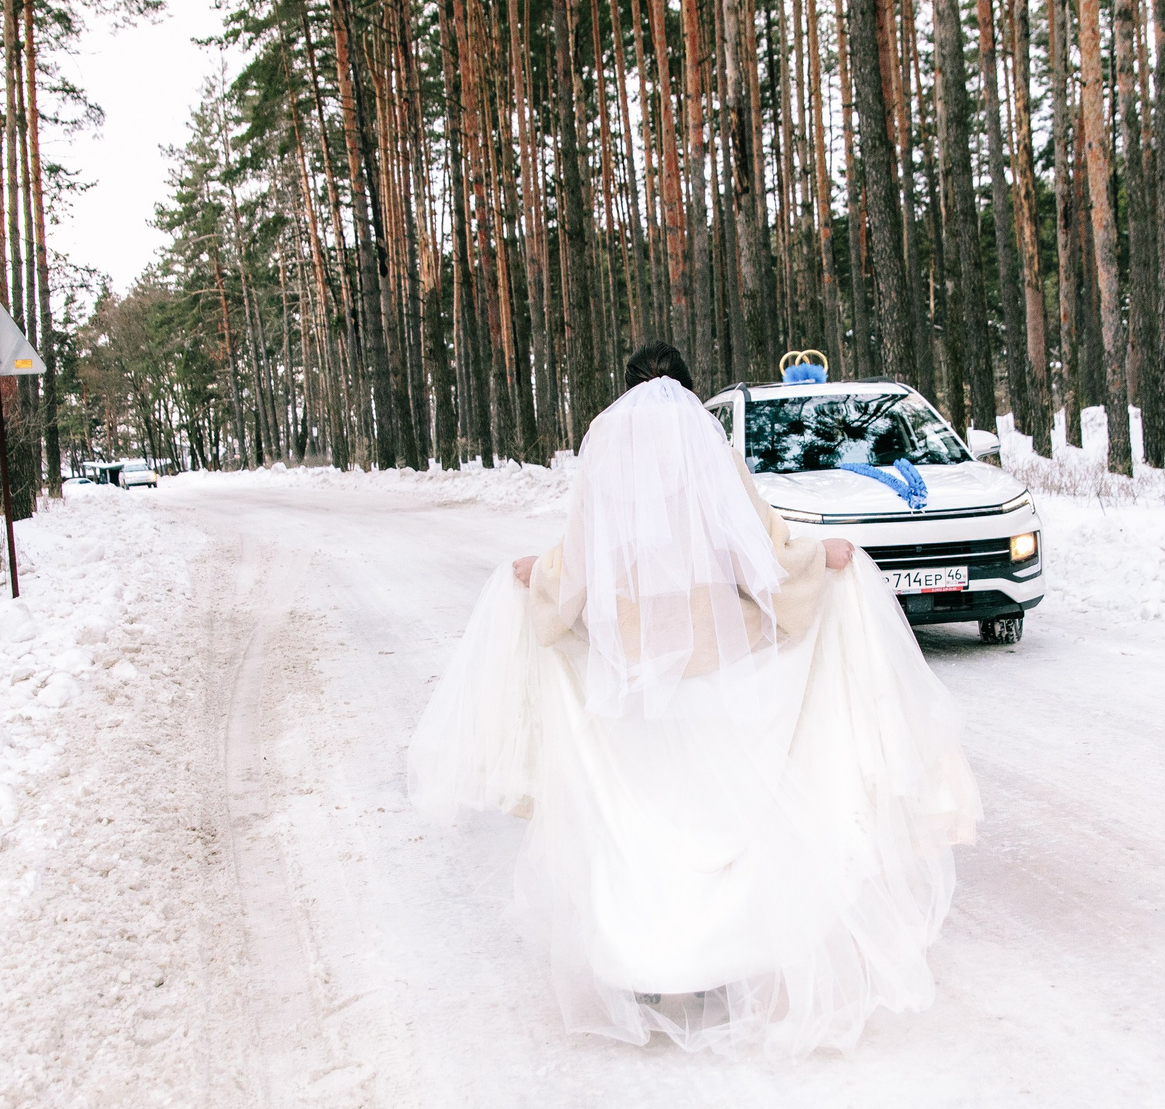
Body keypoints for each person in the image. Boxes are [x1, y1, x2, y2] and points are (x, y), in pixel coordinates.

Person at [408, 342, 978, 1057]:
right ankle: (721, 955)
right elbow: (760, 551)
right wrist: (817, 560)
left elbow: (579, 565)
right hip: (719, 663)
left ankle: (650, 960)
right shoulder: (709, 450)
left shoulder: (605, 458)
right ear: (686, 389)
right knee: (722, 808)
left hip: (631, 672)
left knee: (643, 812)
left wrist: (540, 578)